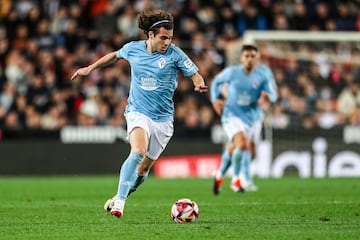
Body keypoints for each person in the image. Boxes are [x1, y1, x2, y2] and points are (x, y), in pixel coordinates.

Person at [71, 9, 207, 218]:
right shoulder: (133, 49)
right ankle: (120, 203)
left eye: (170, 38)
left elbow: (195, 74)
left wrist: (199, 84)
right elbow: (113, 56)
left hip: (163, 120)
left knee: (143, 171)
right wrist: (90, 68)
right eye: (163, 37)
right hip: (137, 112)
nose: (167, 42)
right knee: (138, 151)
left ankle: (119, 196)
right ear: (150, 35)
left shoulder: (175, 54)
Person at [210, 45, 277, 194]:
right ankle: (236, 181)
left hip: (251, 117)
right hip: (231, 114)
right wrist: (215, 100)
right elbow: (216, 82)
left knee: (240, 148)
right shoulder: (232, 72)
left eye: (253, 56)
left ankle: (219, 174)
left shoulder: (262, 76)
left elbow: (272, 94)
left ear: (257, 58)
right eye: (247, 56)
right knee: (242, 143)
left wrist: (268, 97)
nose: (250, 59)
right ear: (242, 58)